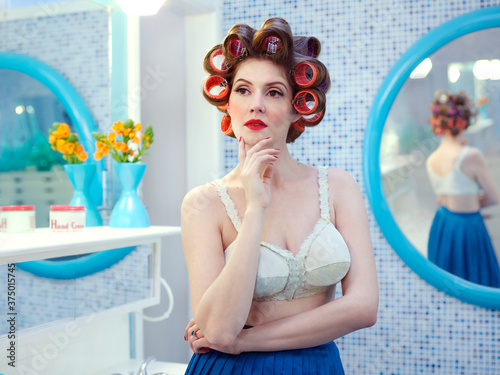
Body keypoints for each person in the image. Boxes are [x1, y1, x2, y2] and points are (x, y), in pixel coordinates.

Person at [181, 17, 378, 374]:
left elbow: (364, 307)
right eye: (243, 90)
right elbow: (219, 329)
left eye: (273, 92)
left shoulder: (338, 187)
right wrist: (256, 207)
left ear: (295, 107)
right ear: (227, 103)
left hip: (315, 364)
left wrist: (244, 341)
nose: (256, 104)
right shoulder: (203, 204)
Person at [426, 90, 500, 287]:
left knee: (447, 285)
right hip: (467, 227)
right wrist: (475, 201)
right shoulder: (470, 155)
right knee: (476, 282)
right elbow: (494, 198)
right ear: (465, 121)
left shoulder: (431, 158)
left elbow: (441, 198)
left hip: (442, 225)